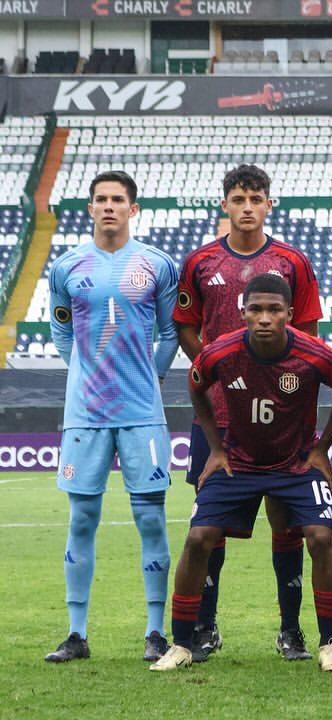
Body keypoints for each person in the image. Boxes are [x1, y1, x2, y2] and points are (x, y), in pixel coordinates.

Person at [150, 274, 332, 672]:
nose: (264, 318)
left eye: (274, 310)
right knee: (197, 539)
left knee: (320, 537)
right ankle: (182, 644)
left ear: (290, 315)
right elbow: (196, 386)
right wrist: (215, 447)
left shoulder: (314, 354)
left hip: (295, 465)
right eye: (256, 309)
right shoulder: (220, 353)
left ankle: (329, 643)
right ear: (242, 313)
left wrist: (322, 447)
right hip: (238, 463)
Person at [173, 164, 324, 662]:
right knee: (209, 525)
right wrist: (218, 369)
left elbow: (307, 338)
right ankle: (204, 627)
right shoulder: (200, 262)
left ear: (268, 205)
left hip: (283, 418)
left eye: (256, 199)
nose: (247, 207)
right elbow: (187, 328)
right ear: (225, 204)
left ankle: (291, 631)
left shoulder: (292, 263)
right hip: (218, 419)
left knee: (290, 525)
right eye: (238, 198)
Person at [46, 170, 179, 663]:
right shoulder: (67, 266)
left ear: (133, 208)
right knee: (82, 518)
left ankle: (155, 631)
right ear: (90, 208)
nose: (108, 207)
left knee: (150, 519)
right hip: (85, 414)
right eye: (100, 199)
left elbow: (169, 334)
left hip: (142, 412)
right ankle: (76, 634)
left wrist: (149, 377)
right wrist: (86, 373)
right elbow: (62, 332)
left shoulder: (156, 265)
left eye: (117, 200)